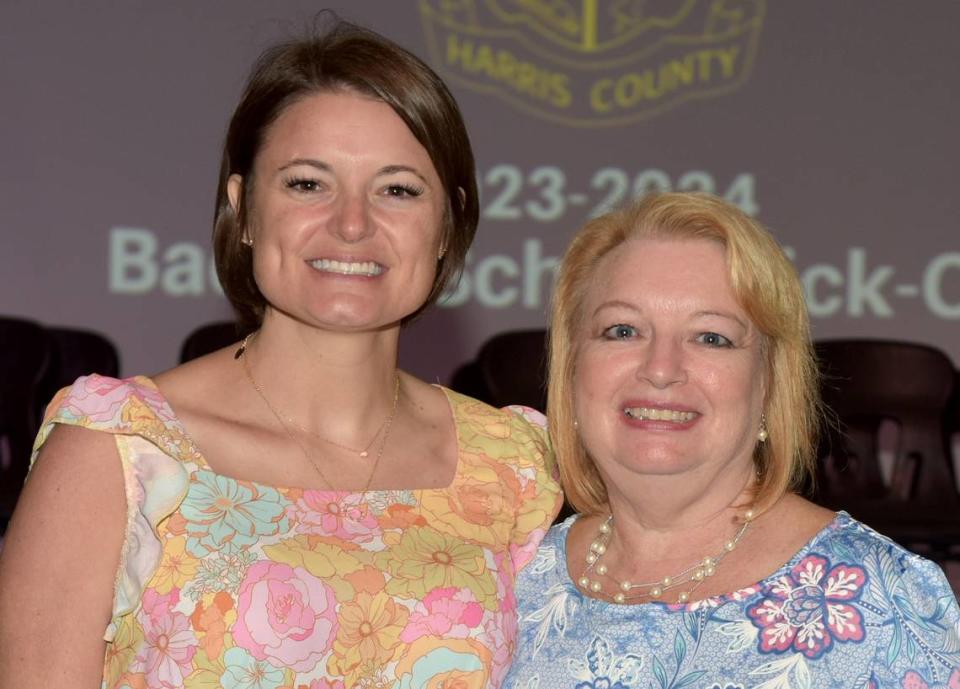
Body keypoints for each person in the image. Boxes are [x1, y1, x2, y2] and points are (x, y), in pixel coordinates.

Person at [0, 19, 561, 689]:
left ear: (447, 225)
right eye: (306, 184)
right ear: (243, 210)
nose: (352, 224)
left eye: (398, 190)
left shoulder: (515, 465)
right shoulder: (118, 448)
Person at [504, 193, 960, 687]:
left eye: (711, 338)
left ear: (768, 384)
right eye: (622, 330)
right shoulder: (514, 578)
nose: (660, 370)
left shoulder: (882, 601)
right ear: (572, 370)